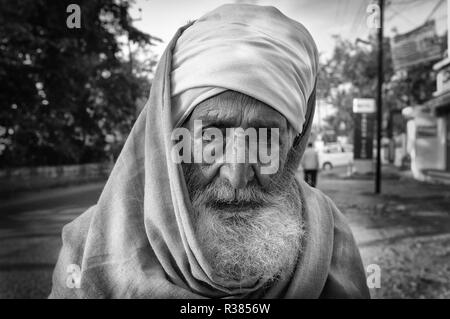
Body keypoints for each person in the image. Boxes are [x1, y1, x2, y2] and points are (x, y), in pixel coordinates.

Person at [49, 4, 370, 299]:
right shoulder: (89, 245)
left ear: (294, 146)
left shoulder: (329, 236)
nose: (238, 174)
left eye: (266, 137)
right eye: (213, 135)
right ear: (172, 136)